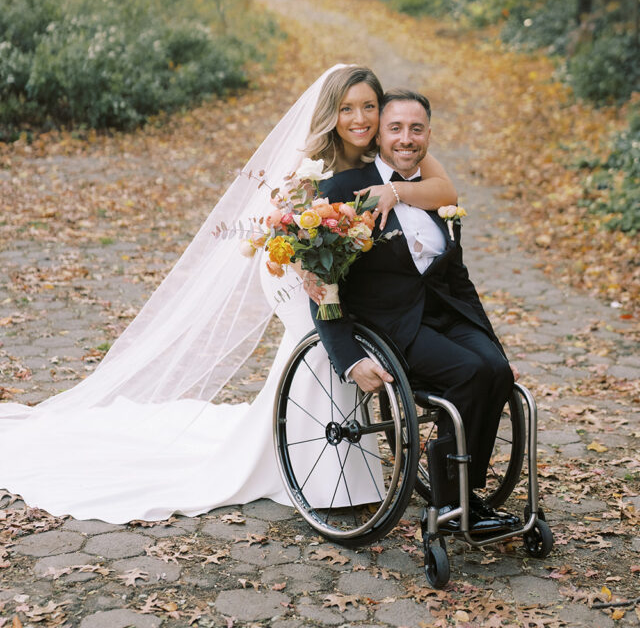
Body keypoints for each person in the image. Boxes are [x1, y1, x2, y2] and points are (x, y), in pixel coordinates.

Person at [0, 66, 458, 523]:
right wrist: (324, 289)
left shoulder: (390, 150)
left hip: (347, 267)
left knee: (348, 337)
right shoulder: (314, 163)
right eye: (347, 109)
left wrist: (395, 191)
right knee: (324, 346)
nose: (361, 118)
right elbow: (295, 240)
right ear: (330, 114)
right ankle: (305, 470)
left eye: (369, 107)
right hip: (298, 266)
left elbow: (444, 190)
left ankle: (343, 469)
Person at [309, 88, 521, 534]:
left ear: (428, 134)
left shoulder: (432, 192)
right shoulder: (344, 191)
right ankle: (451, 504)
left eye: (417, 129)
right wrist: (347, 358)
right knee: (469, 372)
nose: (407, 139)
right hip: (391, 325)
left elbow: (458, 278)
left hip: (444, 314)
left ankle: (466, 496)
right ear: (379, 136)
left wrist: (494, 343)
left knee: (497, 370)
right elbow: (323, 287)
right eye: (396, 129)